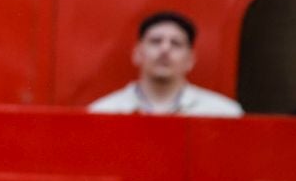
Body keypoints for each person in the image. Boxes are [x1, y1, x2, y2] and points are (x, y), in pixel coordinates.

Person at [87, 11, 243, 116]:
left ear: (190, 60)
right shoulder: (104, 112)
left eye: (176, 43)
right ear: (137, 54)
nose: (165, 49)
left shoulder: (222, 113)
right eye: (155, 41)